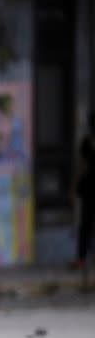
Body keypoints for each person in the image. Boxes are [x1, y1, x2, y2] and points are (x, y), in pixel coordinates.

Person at [72, 111, 95, 269]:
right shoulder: (88, 142)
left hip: (89, 188)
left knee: (86, 225)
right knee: (86, 225)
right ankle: (81, 258)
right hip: (89, 189)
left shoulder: (88, 141)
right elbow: (82, 165)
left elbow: (81, 166)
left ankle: (81, 258)